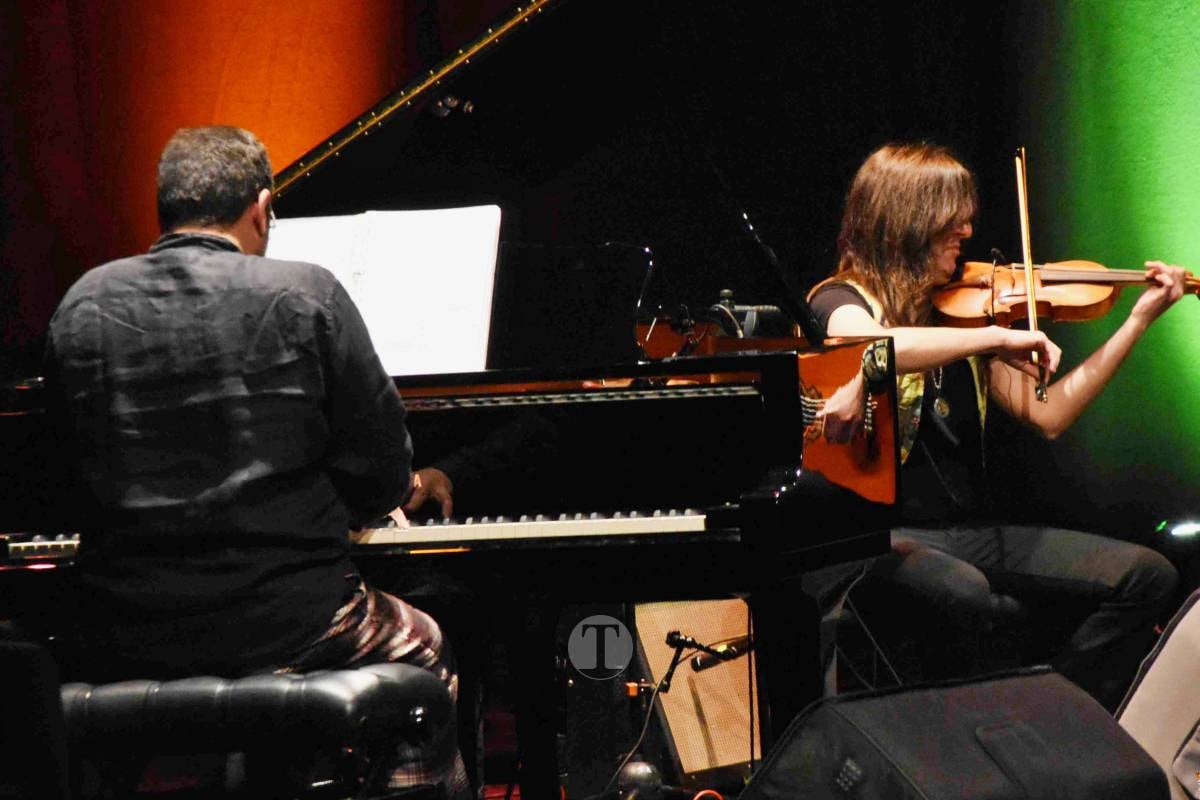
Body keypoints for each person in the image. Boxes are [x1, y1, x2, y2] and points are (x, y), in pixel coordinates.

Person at [43, 126, 469, 796]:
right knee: (427, 650)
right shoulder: (308, 293)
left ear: (167, 211)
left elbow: (64, 481)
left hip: (124, 628)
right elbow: (382, 471)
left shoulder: (82, 304)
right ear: (262, 208)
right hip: (290, 621)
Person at [808, 141, 1186, 710]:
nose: (966, 227)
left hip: (969, 530)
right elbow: (868, 343)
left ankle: (1053, 710)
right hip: (878, 536)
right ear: (905, 220)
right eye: (951, 216)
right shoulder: (839, 298)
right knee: (963, 592)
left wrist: (1136, 321)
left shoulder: (965, 309)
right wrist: (999, 338)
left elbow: (1050, 414)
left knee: (1148, 576)